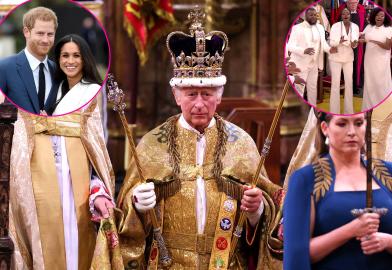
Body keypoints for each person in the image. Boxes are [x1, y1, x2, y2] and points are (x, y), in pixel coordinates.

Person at [114, 8, 284, 269]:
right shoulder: (151, 144)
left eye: (207, 94)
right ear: (176, 96)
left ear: (219, 96)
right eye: (191, 94)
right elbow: (126, 214)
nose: (200, 104)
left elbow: (267, 211)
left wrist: (256, 211)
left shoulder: (241, 142)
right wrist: (136, 203)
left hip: (225, 262)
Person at [283, 112, 392, 270]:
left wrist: (387, 241)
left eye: (359, 123)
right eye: (342, 124)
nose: (352, 132)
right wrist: (350, 230)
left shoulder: (387, 173)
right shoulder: (305, 179)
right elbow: (297, 254)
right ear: (325, 128)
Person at [0, 7, 59, 114]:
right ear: (26, 32)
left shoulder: (58, 71)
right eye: (40, 33)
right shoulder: (4, 67)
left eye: (50, 34)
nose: (45, 40)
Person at [287, 7, 337, 106]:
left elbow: (323, 44)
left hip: (314, 63)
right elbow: (290, 46)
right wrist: (303, 51)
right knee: (299, 90)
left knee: (312, 88)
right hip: (300, 64)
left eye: (315, 15)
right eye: (311, 15)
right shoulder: (297, 28)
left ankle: (312, 109)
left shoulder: (320, 28)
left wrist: (330, 49)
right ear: (306, 16)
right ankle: (300, 113)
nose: (314, 17)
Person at [46, 34, 102, 115]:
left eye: (76, 56)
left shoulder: (93, 90)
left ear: (84, 59)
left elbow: (92, 125)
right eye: (65, 56)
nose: (70, 61)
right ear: (58, 59)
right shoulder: (56, 87)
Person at [360, 8, 392, 111]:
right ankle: (368, 107)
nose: (379, 17)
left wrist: (374, 41)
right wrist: (355, 40)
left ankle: (384, 107)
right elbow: (363, 38)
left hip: (382, 61)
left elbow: (388, 46)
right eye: (377, 15)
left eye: (382, 16)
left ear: (385, 17)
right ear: (374, 16)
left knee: (381, 83)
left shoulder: (388, 29)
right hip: (369, 59)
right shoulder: (369, 27)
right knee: (370, 82)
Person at [328, 8, 359, 114]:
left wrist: (355, 44)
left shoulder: (355, 27)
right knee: (335, 84)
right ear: (341, 15)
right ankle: (334, 111)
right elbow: (332, 42)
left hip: (348, 58)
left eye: (347, 13)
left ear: (350, 15)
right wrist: (339, 41)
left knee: (349, 83)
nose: (345, 15)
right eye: (343, 13)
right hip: (336, 58)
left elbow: (355, 43)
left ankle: (349, 111)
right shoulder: (335, 26)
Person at [335, 0, 367, 95]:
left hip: (358, 44)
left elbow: (364, 24)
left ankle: (356, 86)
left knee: (358, 64)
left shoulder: (360, 12)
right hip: (346, 44)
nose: (353, 5)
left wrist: (363, 33)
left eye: (355, 3)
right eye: (351, 3)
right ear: (347, 3)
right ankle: (348, 87)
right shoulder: (342, 13)